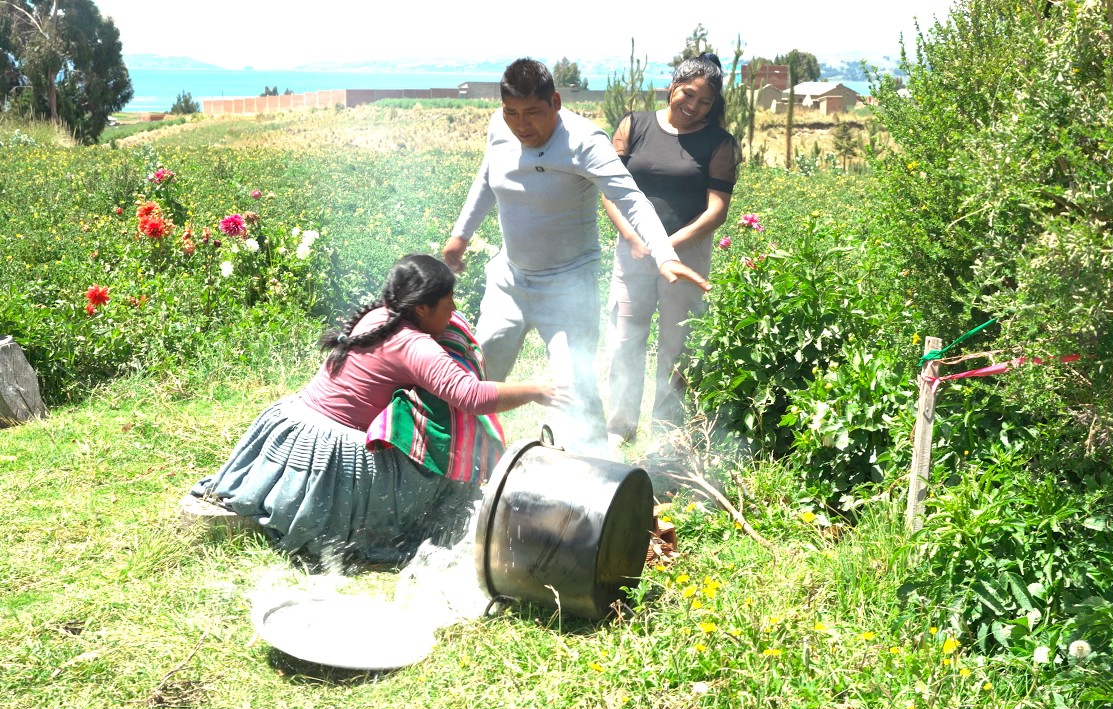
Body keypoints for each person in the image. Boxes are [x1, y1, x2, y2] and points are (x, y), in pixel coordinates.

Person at [190, 254, 568, 563]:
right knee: (431, 469)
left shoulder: (378, 317)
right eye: (448, 301)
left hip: (292, 423)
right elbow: (471, 397)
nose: (454, 310)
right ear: (421, 307)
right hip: (330, 448)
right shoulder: (415, 346)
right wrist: (535, 389)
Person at [443, 57, 709, 457]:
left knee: (573, 388)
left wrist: (664, 255)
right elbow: (486, 177)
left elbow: (631, 200)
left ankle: (596, 483)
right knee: (478, 376)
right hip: (509, 282)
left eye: (532, 112)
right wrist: (460, 235)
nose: (521, 124)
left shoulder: (585, 142)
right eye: (511, 112)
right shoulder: (500, 128)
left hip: (568, 288)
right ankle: (461, 464)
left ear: (556, 101)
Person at [602, 53, 742, 452]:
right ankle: (620, 426)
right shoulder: (634, 125)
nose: (694, 106)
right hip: (632, 249)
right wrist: (632, 238)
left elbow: (717, 210)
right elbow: (611, 190)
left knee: (677, 345)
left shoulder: (719, 143)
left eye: (705, 102)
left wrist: (665, 247)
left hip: (687, 256)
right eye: (688, 93)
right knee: (625, 338)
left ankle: (665, 432)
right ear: (672, 85)